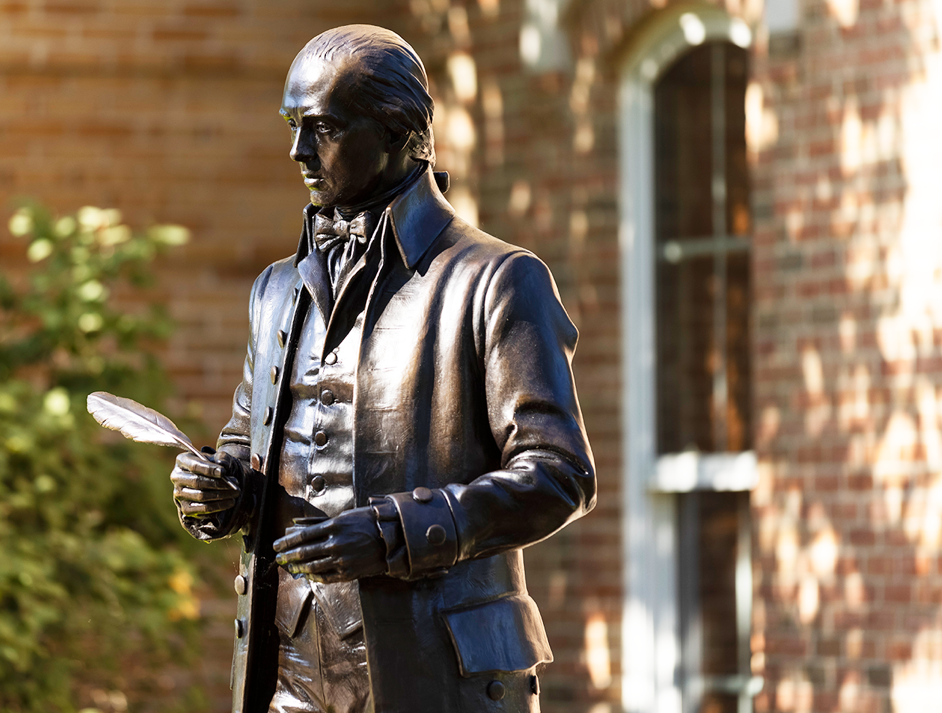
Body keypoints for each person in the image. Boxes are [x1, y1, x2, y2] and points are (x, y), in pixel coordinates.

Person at [170, 24, 595, 713]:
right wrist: (222, 489)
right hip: (288, 677)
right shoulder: (276, 289)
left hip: (436, 677)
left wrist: (397, 532)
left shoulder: (496, 280)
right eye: (292, 125)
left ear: (398, 130)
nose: (297, 150)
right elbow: (251, 446)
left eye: (324, 127)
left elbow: (559, 474)